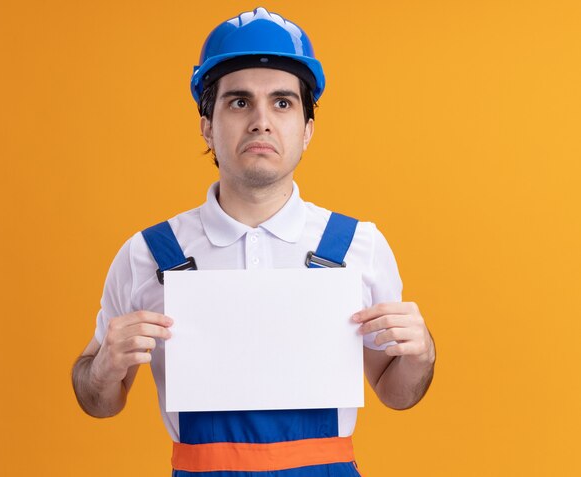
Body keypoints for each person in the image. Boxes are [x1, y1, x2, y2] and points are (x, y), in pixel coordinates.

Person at [72, 7, 436, 476]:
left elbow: (397, 393)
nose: (261, 121)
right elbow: (98, 401)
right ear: (207, 123)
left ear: (307, 129)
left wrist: (422, 351)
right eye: (239, 102)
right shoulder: (147, 254)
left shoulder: (355, 247)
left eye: (282, 102)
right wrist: (103, 367)